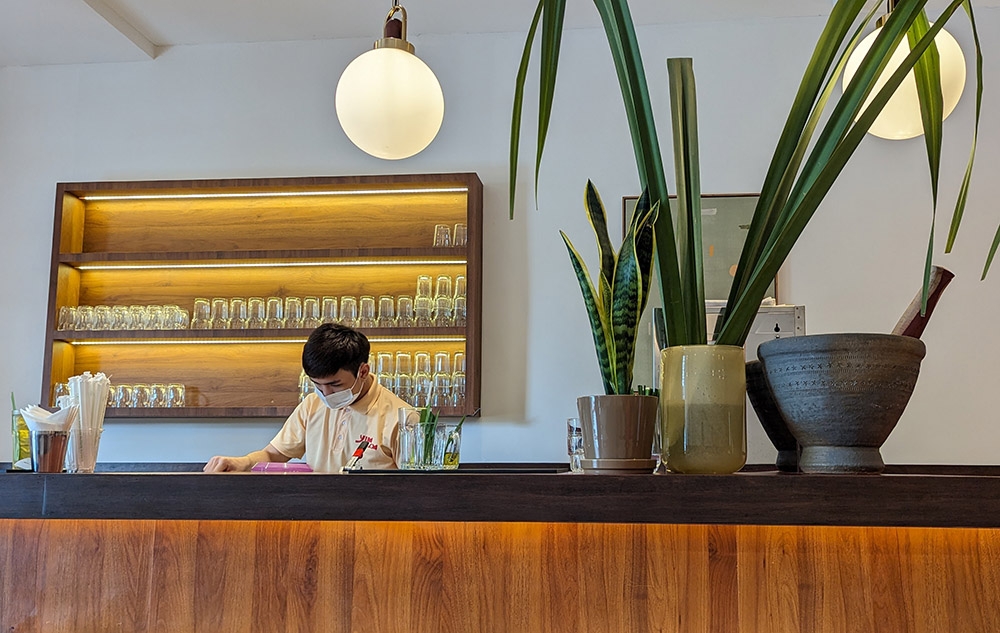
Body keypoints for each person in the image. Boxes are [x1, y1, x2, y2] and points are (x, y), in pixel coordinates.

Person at [203, 323, 408, 473]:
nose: (325, 394)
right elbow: (273, 455)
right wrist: (243, 462)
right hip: (316, 518)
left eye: (335, 385)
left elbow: (416, 490)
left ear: (363, 372)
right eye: (317, 384)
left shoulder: (403, 419)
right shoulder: (311, 405)